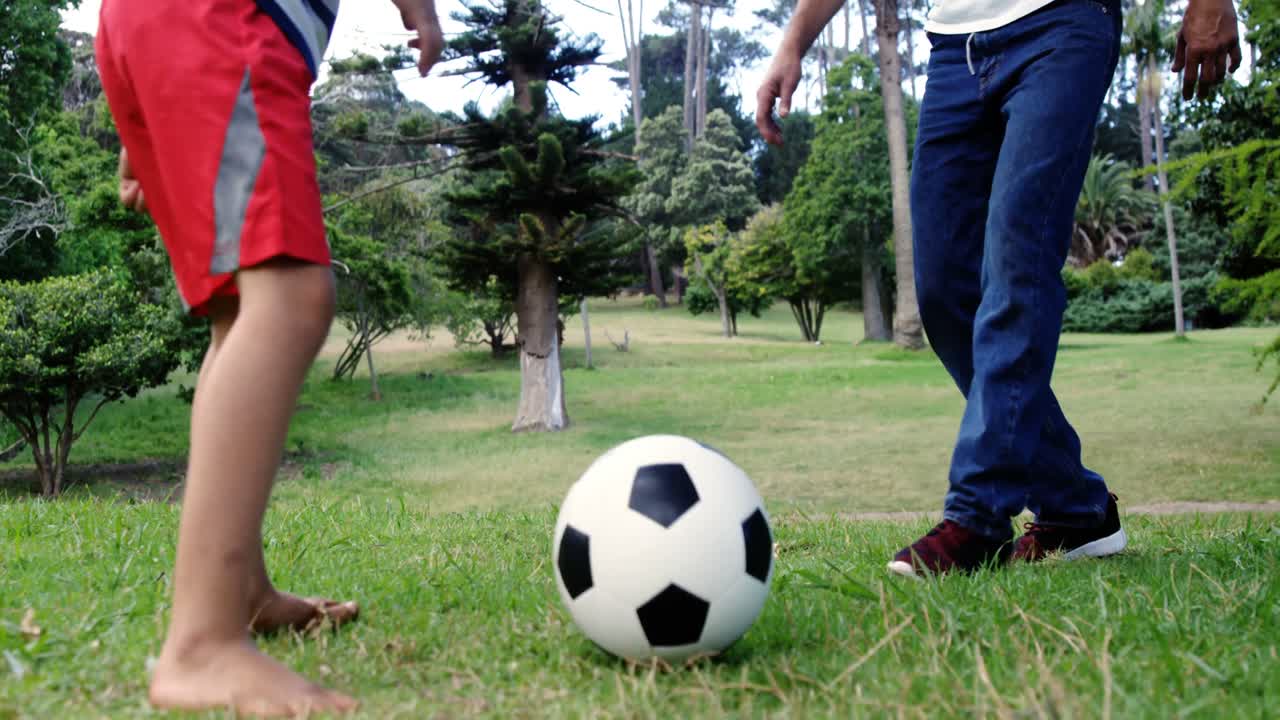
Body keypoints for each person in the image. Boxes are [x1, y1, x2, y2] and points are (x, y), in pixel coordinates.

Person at [756, 0, 1241, 576]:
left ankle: (979, 516)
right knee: (942, 292)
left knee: (1018, 262)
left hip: (1062, 24)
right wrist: (794, 41)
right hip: (953, 48)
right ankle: (1075, 506)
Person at [95, 0, 443, 715]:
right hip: (220, 19)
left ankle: (242, 591)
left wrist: (145, 98)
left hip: (153, 29)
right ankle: (203, 643)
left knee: (239, 306)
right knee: (289, 298)